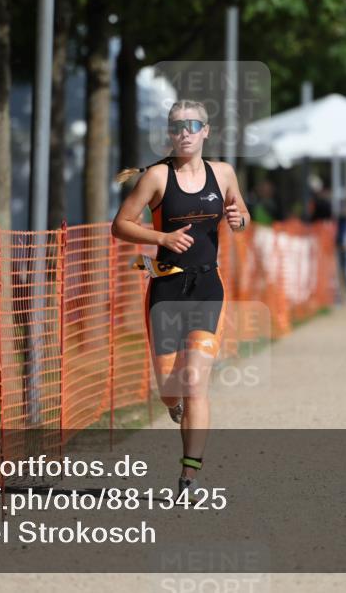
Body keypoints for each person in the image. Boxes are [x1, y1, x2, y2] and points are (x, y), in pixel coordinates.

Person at [111, 99, 250, 495]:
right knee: (171, 389)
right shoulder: (156, 177)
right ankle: (173, 407)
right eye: (177, 126)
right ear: (170, 134)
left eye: (192, 125)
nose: (185, 132)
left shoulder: (223, 173)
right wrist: (161, 237)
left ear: (206, 131)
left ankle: (189, 475)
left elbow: (241, 213)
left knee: (194, 381)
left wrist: (240, 220)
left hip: (208, 287)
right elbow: (120, 225)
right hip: (167, 290)